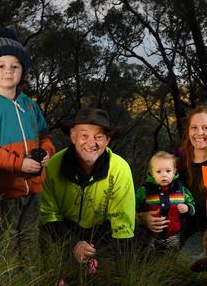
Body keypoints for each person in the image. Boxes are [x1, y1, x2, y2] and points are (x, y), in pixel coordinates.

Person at [0, 28, 55, 255]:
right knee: (6, 238)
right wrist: (18, 164)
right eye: (1, 65)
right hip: (7, 189)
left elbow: (45, 135)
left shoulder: (30, 105)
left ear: (22, 72)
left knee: (29, 235)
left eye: (15, 66)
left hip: (35, 187)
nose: (8, 71)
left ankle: (31, 281)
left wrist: (47, 151)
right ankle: (9, 285)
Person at [40, 107, 135, 263]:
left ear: (107, 140)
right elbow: (47, 215)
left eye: (99, 136)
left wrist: (95, 251)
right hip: (62, 233)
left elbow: (122, 224)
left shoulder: (120, 169)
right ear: (73, 136)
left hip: (104, 234)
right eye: (84, 135)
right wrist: (72, 244)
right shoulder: (52, 166)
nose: (92, 143)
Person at [139, 105, 207, 247]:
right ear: (188, 131)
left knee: (191, 261)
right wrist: (142, 217)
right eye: (194, 127)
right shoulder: (174, 159)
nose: (199, 133)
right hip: (173, 231)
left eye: (206, 128)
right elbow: (150, 187)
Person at [136, 151, 195, 250]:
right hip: (151, 234)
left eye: (168, 171)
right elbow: (133, 207)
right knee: (148, 255)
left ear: (174, 171)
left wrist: (187, 208)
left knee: (172, 255)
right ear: (151, 172)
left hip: (173, 234)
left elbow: (191, 203)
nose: (164, 175)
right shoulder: (145, 190)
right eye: (158, 172)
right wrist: (140, 218)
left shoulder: (181, 190)